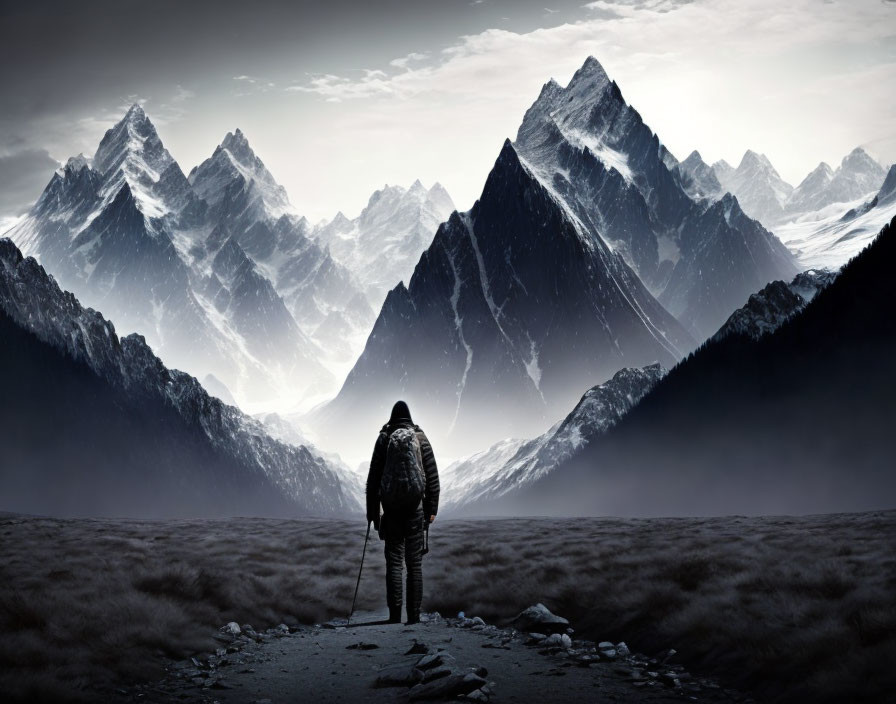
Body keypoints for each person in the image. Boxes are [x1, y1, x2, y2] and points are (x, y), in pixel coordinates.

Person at [366, 400, 439, 625]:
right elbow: (433, 478)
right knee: (414, 564)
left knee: (394, 563)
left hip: (391, 510)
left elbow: (373, 479)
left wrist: (373, 515)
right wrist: (431, 512)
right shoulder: (420, 438)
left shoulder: (384, 439)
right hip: (415, 510)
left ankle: (394, 616)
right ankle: (414, 617)